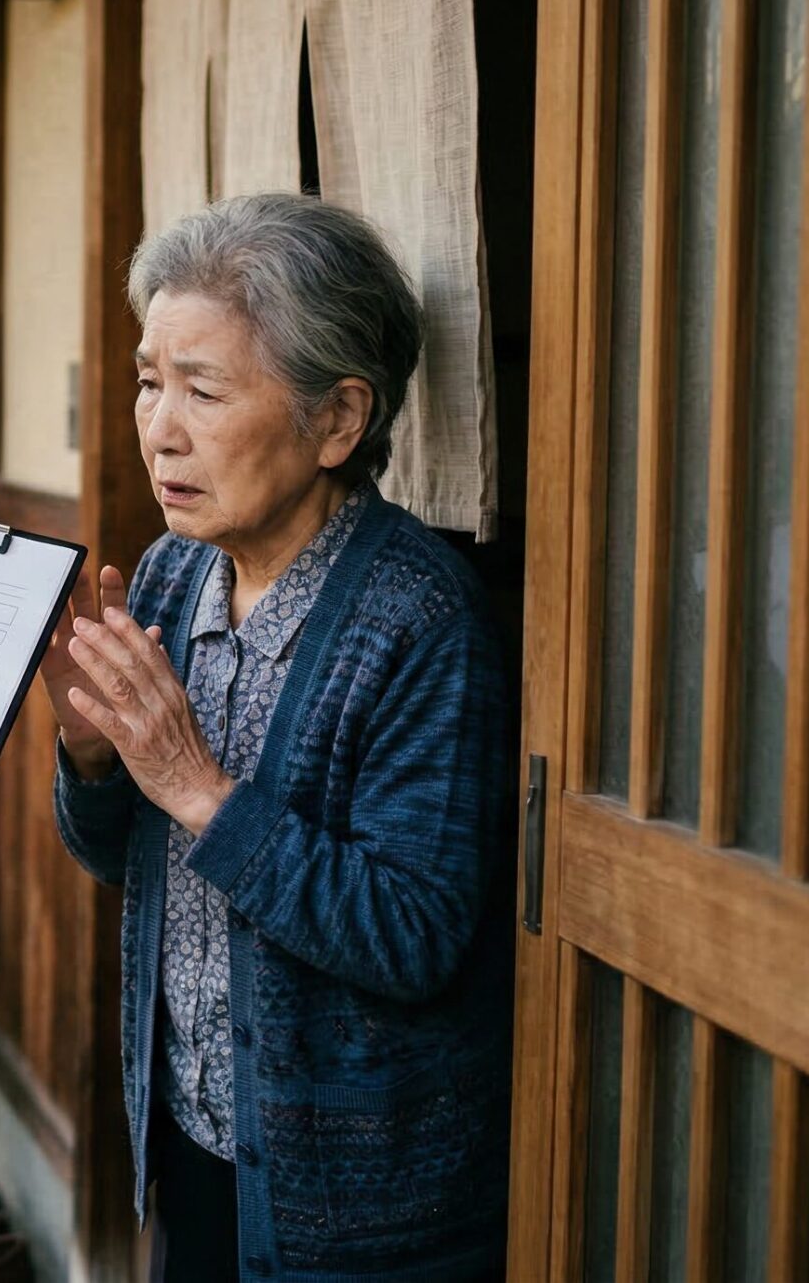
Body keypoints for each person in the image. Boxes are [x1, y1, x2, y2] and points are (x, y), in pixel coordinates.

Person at [44, 194, 515, 1280]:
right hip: (194, 1141)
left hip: (355, 1207)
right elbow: (128, 861)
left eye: (203, 390)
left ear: (338, 420)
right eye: (148, 380)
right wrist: (93, 757)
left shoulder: (418, 619)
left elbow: (411, 933)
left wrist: (195, 784)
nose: (160, 427)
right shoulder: (172, 572)